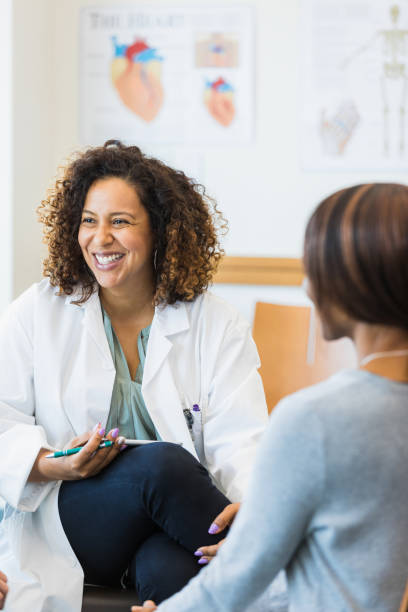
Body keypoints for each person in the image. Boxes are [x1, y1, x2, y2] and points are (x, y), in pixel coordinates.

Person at [0, 141, 268, 611]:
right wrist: (51, 463)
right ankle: (274, 569)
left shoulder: (215, 323)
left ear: (161, 231)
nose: (100, 238)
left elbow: (242, 441)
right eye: (89, 220)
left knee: (180, 574)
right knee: (162, 466)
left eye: (120, 222)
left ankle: (250, 554)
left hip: (170, 525)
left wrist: (253, 509)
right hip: (71, 524)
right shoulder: (37, 313)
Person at [131, 183, 408, 612]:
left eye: (313, 268)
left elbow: (240, 579)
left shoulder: (316, 420)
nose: (306, 286)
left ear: (351, 283)